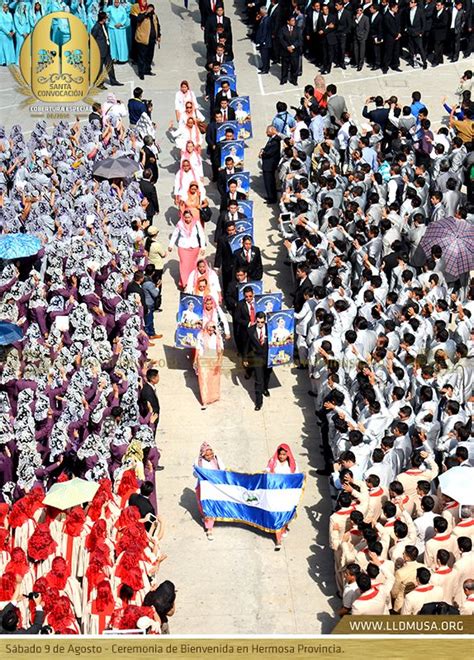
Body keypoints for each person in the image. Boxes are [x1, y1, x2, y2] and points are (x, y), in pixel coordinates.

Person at [266, 444, 299, 550]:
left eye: (284, 454)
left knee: (286, 514)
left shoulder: (292, 465)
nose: (281, 457)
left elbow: (296, 478)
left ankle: (284, 528)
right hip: (275, 494)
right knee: (277, 516)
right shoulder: (272, 462)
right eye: (280, 454)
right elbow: (266, 472)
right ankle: (278, 540)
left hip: (287, 495)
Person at [194, 443, 225, 540]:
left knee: (212, 507)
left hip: (215, 487)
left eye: (211, 454)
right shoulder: (198, 462)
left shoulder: (217, 459)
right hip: (204, 488)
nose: (210, 456)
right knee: (207, 508)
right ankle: (209, 529)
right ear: (203, 455)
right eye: (207, 455)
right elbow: (195, 473)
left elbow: (223, 469)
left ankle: (209, 523)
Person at [168, 209, 206, 289]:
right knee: (184, 266)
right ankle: (185, 283)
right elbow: (175, 234)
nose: (187, 219)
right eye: (186, 217)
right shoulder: (180, 224)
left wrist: (203, 247)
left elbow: (201, 234)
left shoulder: (196, 223)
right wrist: (171, 245)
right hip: (183, 247)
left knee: (192, 265)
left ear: (192, 217)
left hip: (194, 247)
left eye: (189, 217)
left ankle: (192, 281)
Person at [243, 311, 273, 411]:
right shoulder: (250, 330)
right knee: (258, 380)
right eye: (258, 322)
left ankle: (265, 388)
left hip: (268, 356)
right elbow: (246, 345)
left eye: (262, 322)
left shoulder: (270, 328)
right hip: (256, 357)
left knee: (267, 374)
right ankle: (258, 402)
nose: (260, 324)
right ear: (256, 320)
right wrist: (245, 358)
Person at [194, 321, 224, 410]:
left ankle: (214, 397)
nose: (211, 330)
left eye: (213, 328)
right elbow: (198, 348)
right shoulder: (201, 335)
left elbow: (221, 349)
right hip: (203, 359)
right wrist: (195, 359)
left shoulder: (218, 337)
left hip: (214, 359)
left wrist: (219, 361)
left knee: (214, 379)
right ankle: (205, 401)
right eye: (209, 328)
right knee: (204, 380)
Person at [91, 11, 124, 87]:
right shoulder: (96, 27)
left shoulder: (104, 25)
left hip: (106, 49)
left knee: (110, 66)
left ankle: (113, 80)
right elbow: (92, 39)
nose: (106, 19)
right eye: (105, 18)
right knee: (99, 69)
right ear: (103, 19)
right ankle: (99, 83)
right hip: (100, 50)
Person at [135, 4, 161, 80]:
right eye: (149, 9)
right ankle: (141, 73)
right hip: (143, 40)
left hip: (152, 40)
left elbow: (158, 26)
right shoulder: (142, 14)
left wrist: (159, 35)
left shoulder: (154, 16)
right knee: (142, 57)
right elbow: (138, 19)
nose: (151, 11)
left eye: (152, 9)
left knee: (149, 56)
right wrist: (146, 13)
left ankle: (147, 70)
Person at [259, 125, 281, 204]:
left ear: (272, 131)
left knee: (270, 182)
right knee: (268, 182)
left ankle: (272, 198)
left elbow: (270, 153)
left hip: (270, 165)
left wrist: (262, 154)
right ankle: (270, 196)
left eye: (268, 131)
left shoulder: (275, 141)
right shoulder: (272, 139)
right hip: (268, 163)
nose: (266, 133)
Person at [278, 16, 302, 86]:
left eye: (294, 20)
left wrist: (292, 47)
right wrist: (287, 47)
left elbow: (300, 40)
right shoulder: (283, 29)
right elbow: (281, 39)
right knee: (285, 66)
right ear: (288, 21)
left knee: (295, 66)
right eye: (292, 20)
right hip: (285, 51)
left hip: (294, 51)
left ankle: (293, 79)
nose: (294, 22)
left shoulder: (298, 29)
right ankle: (283, 79)